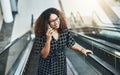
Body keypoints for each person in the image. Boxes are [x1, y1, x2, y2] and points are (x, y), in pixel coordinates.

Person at [34, 7, 93, 75]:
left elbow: (71, 43)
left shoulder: (64, 31)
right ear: (47, 23)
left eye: (57, 19)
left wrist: (82, 50)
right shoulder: (41, 35)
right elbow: (44, 55)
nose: (56, 22)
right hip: (47, 67)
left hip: (61, 64)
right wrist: (48, 40)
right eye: (52, 21)